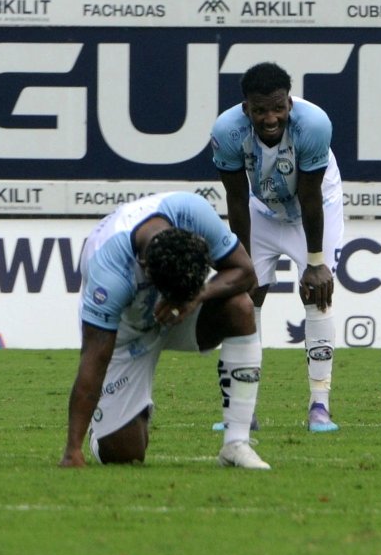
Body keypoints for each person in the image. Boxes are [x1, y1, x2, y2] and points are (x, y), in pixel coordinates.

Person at [59, 191, 270, 470]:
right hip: (126, 333)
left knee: (240, 308)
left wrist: (197, 295)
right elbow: (94, 357)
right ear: (145, 269)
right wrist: (72, 450)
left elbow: (246, 273)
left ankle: (236, 443)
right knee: (127, 454)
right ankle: (108, 425)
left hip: (181, 311)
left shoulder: (193, 212)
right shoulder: (110, 272)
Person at [210, 61, 345, 433]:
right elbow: (236, 202)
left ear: (289, 102)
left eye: (278, 108)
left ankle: (320, 406)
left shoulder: (314, 124)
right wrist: (243, 264)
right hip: (262, 208)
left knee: (318, 292)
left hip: (314, 209)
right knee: (245, 297)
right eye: (260, 110)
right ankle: (241, 410)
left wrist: (315, 261)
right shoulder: (227, 131)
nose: (271, 118)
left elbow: (310, 195)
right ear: (245, 108)